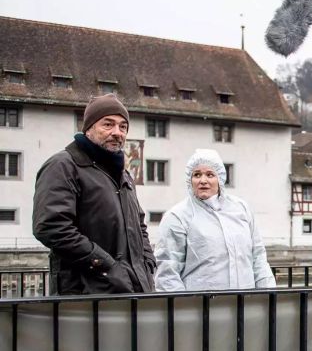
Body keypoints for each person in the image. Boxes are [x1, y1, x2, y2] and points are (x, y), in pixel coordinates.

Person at [33, 94, 156, 294]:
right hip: (85, 294)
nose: (117, 132)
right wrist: (106, 266)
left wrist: (147, 260)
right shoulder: (63, 165)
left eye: (123, 126)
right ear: (89, 128)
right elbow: (51, 227)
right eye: (108, 124)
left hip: (133, 289)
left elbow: (139, 224)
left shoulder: (122, 173)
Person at [154, 149, 276, 291]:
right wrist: (183, 309)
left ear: (220, 178)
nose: (203, 180)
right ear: (190, 179)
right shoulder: (177, 217)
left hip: (245, 305)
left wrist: (268, 297)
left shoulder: (241, 209)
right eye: (197, 175)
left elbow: (258, 258)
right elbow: (167, 271)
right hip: (202, 307)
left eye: (210, 174)